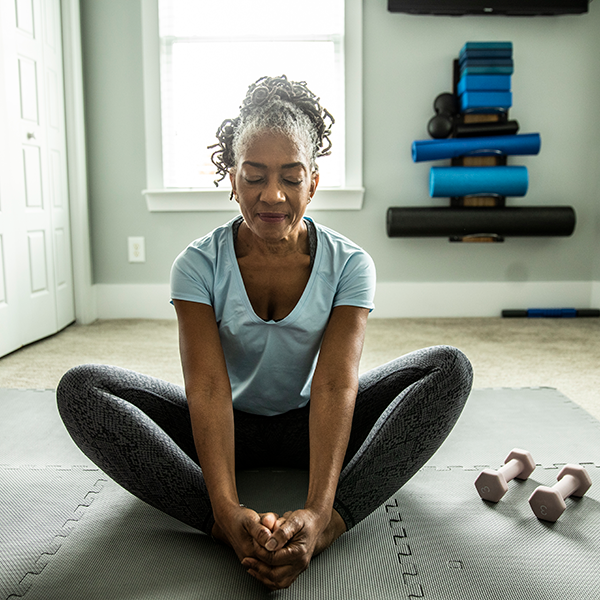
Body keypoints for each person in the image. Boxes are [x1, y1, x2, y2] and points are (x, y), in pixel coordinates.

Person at [57, 75, 473, 591]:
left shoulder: (350, 265)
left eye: (290, 178)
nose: (271, 195)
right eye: (253, 177)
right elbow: (207, 389)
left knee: (449, 369)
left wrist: (320, 513)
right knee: (81, 389)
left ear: (313, 183)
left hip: (314, 425)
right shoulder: (196, 265)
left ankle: (334, 524)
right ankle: (223, 527)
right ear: (231, 180)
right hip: (224, 425)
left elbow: (336, 385)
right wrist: (228, 509)